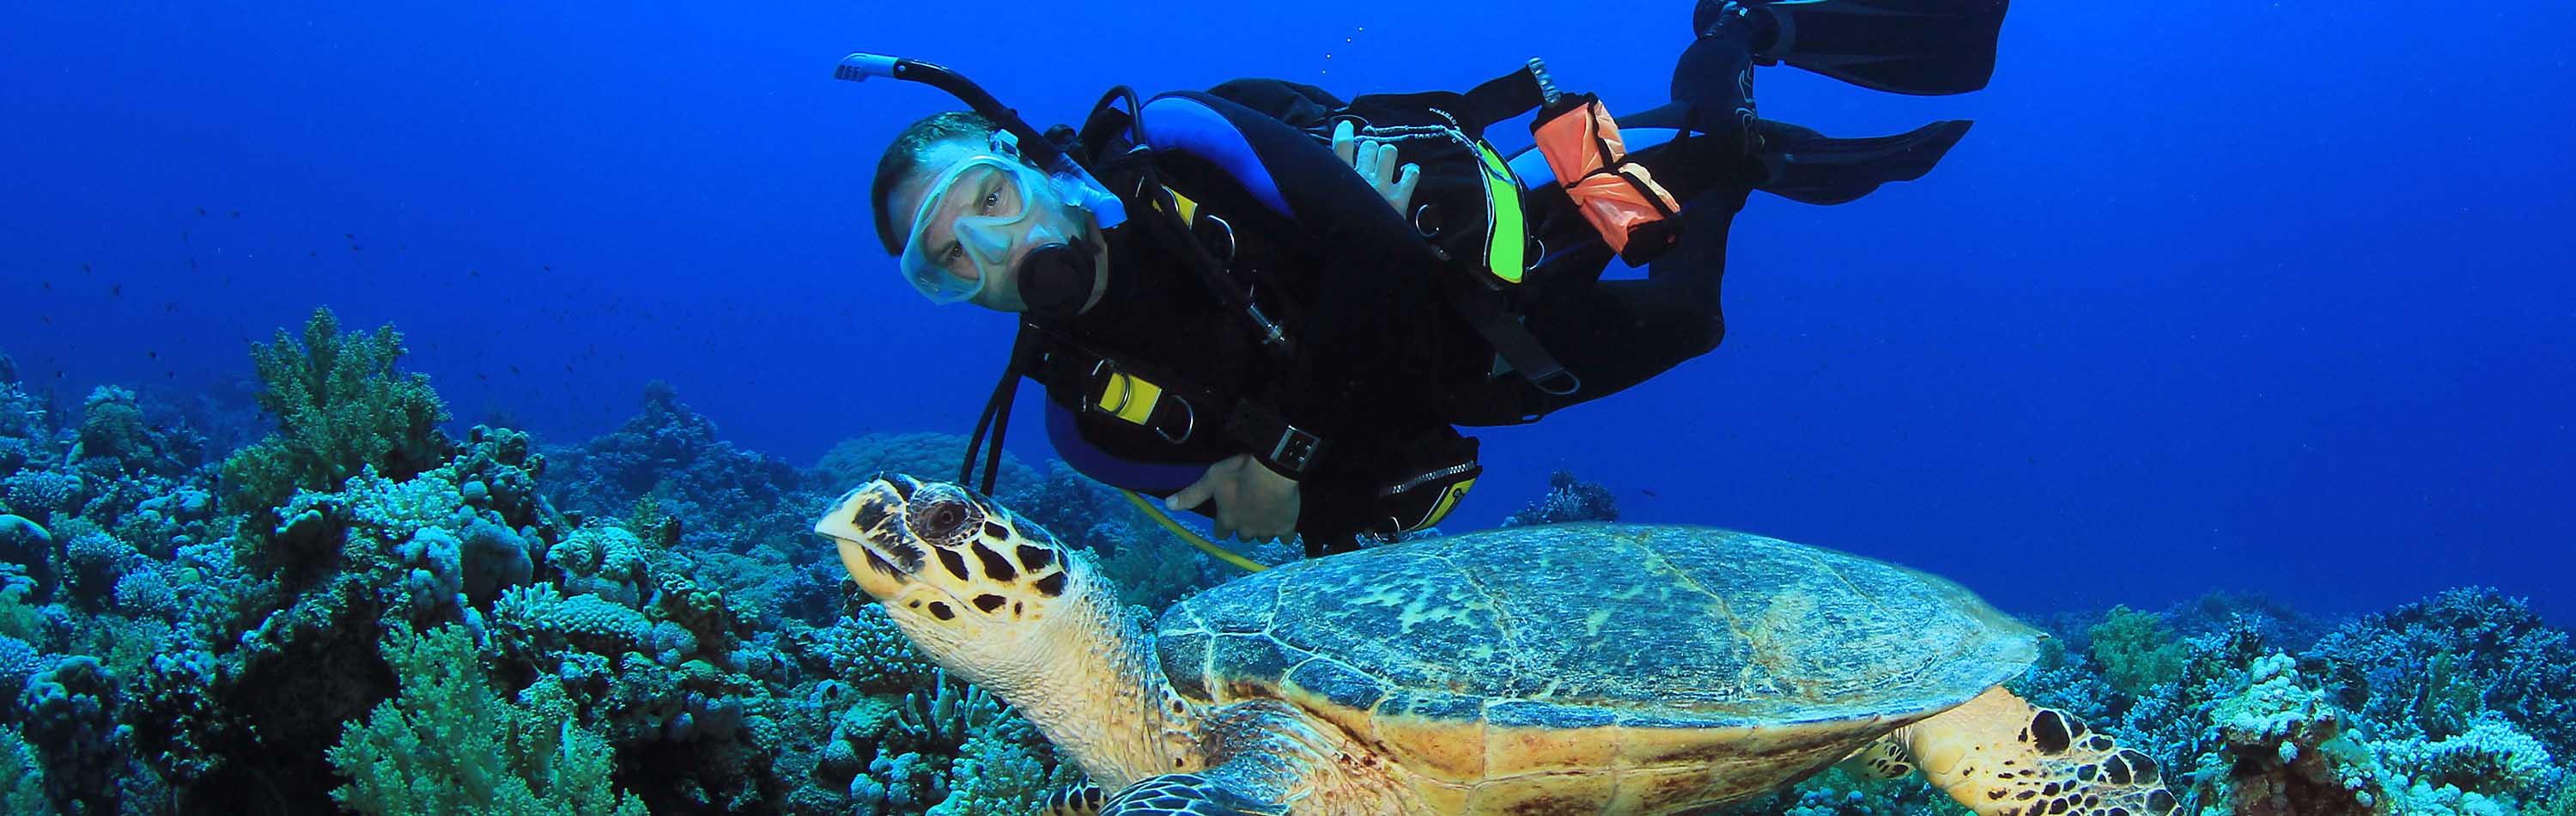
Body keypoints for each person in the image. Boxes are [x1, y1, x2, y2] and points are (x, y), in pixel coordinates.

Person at [861, 0, 2009, 556]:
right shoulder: (1081, 423)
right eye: (947, 262)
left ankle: (1738, 43)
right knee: (1692, 324)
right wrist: (1305, 496)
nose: (993, 251)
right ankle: (1738, 150)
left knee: (1683, 186)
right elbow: (1322, 521)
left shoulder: (1178, 140)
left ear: (1027, 166)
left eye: (987, 203)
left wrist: (1273, 460)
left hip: (1470, 269)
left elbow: (1377, 252)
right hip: (1464, 383)